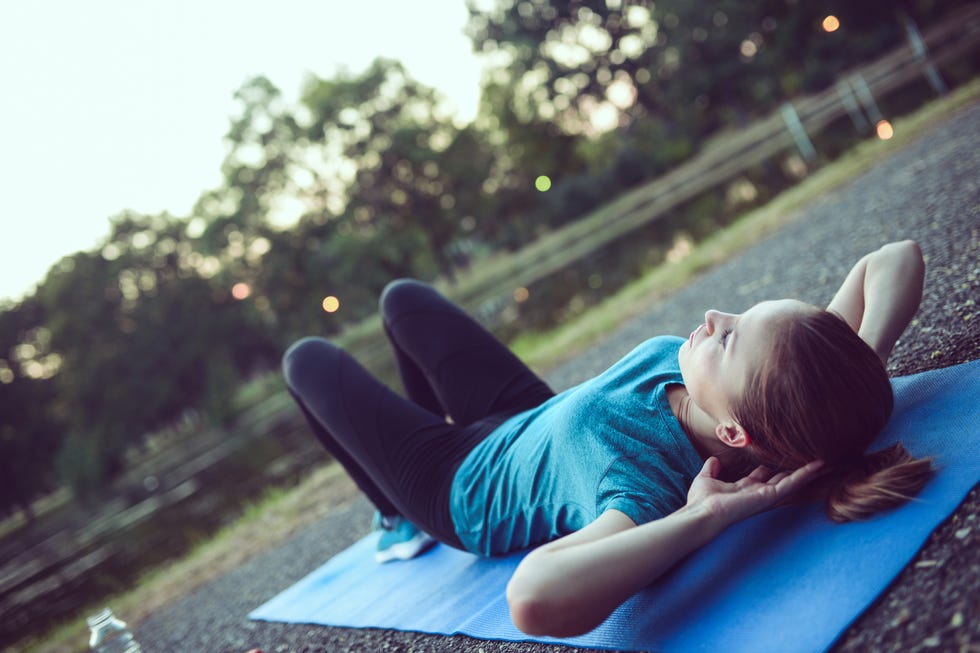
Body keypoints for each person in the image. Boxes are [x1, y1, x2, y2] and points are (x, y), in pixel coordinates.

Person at [282, 240, 932, 637]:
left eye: (729, 336)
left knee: (308, 362)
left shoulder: (653, 485)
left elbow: (533, 597)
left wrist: (706, 515)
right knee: (403, 301)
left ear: (734, 429)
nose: (714, 317)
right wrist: (857, 371)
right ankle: (404, 450)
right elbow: (895, 256)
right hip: (529, 416)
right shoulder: (780, 384)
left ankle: (399, 512)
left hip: (461, 482)